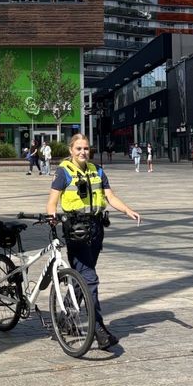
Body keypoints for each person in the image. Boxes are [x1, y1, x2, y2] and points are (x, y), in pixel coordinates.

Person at [46, 133, 141, 351]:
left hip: (96, 228)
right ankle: (98, 329)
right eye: (78, 148)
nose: (82, 152)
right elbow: (52, 201)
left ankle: (65, 318)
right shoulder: (63, 172)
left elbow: (110, 196)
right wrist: (52, 219)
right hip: (76, 230)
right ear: (71, 150)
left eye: (86, 148)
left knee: (83, 278)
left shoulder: (97, 170)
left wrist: (127, 210)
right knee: (90, 278)